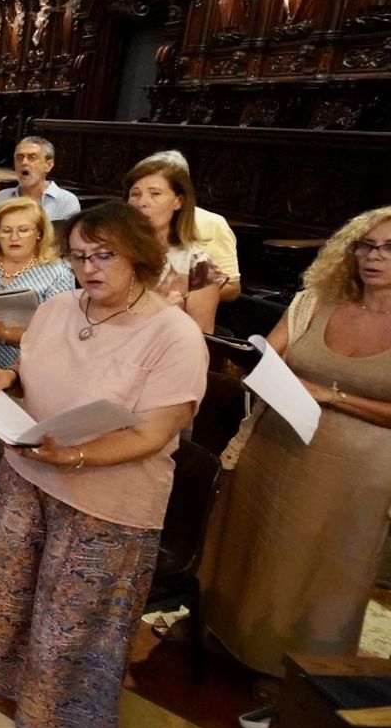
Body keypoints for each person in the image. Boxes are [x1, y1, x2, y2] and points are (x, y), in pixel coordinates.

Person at [0, 201, 207, 728]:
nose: (89, 268)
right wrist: (8, 378)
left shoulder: (174, 334)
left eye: (104, 255)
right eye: (79, 256)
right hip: (29, 471)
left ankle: (56, 725)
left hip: (105, 501)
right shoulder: (59, 306)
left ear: (139, 255)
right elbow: (36, 369)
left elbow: (151, 432)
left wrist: (79, 456)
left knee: (73, 617)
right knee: (9, 583)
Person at [200, 206, 391, 677]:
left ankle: (299, 669)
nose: (373, 257)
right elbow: (270, 354)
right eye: (366, 246)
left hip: (358, 470)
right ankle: (226, 637)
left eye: (389, 249)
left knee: (325, 570)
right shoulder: (314, 300)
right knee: (250, 546)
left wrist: (331, 395)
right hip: (276, 444)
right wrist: (258, 369)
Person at [0, 197, 76, 368]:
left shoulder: (58, 274)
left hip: (24, 369)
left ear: (39, 233)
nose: (14, 237)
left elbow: (58, 334)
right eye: (6, 230)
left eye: (23, 230)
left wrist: (4, 333)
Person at [123, 156, 224, 332]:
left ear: (178, 201)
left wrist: (171, 317)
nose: (142, 203)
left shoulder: (198, 265)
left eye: (155, 194)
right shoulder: (111, 251)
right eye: (135, 194)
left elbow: (202, 339)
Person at [143, 149, 242, 301]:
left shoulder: (212, 223)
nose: (144, 201)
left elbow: (233, 288)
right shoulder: (129, 222)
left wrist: (185, 297)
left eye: (155, 192)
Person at [0, 136, 81, 222]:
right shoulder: (2, 197)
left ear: (48, 165)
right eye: (19, 157)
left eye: (32, 157)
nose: (24, 162)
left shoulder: (66, 201)